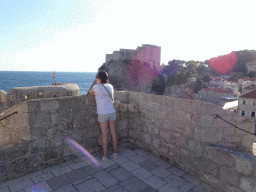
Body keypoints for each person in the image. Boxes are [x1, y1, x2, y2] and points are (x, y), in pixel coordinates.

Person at [88, 71, 118, 160]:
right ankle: (114, 152)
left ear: (99, 78)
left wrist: (96, 93)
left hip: (102, 113)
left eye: (97, 78)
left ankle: (104, 155)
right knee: (113, 132)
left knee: (104, 134)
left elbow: (90, 93)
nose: (96, 79)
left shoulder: (96, 87)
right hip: (112, 112)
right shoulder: (110, 86)